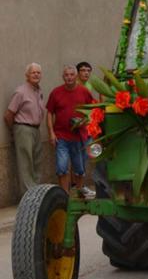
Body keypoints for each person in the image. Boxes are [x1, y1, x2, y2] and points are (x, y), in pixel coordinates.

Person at [46, 65, 94, 195]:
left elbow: (93, 110)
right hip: (61, 137)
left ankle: (78, 191)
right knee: (62, 167)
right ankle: (64, 195)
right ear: (63, 77)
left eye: (72, 75)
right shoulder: (56, 92)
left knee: (79, 169)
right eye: (66, 75)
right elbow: (49, 113)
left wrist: (85, 122)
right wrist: (51, 133)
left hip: (79, 137)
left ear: (75, 76)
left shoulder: (84, 91)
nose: (69, 77)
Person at [3, 63, 44, 197]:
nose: (36, 75)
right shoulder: (21, 91)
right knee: (25, 163)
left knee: (37, 161)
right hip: (23, 129)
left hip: (36, 130)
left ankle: (36, 193)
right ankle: (28, 196)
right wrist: (14, 131)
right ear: (27, 75)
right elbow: (8, 115)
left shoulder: (38, 91)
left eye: (38, 72)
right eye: (33, 72)